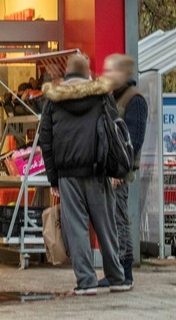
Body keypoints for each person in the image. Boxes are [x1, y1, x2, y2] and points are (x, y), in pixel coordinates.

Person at [38, 54, 130, 295]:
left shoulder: (53, 101)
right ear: (88, 72)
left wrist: (53, 178)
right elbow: (114, 130)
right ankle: (117, 277)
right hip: (98, 170)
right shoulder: (101, 95)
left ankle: (86, 282)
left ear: (67, 73)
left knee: (76, 228)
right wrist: (115, 169)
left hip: (68, 175)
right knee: (106, 225)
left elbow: (45, 140)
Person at [100, 53, 148, 287]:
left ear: (123, 74)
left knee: (119, 220)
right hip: (107, 170)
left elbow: (133, 140)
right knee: (110, 220)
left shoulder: (134, 100)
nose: (107, 75)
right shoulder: (110, 97)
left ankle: (124, 272)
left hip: (119, 172)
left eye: (111, 71)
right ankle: (114, 271)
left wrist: (120, 170)